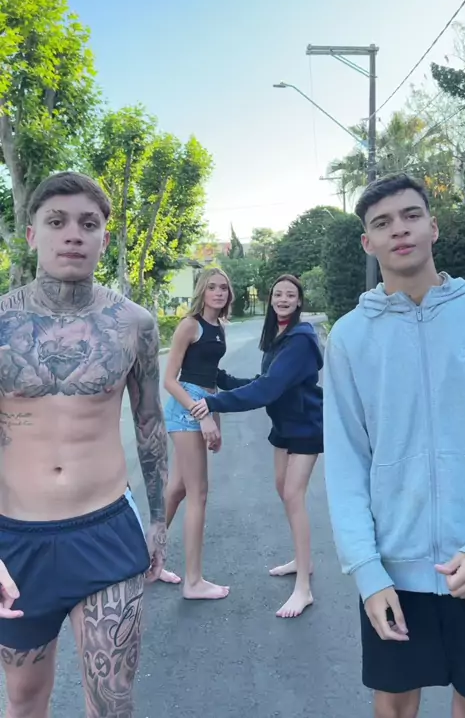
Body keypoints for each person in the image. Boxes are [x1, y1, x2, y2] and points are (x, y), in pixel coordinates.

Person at [0, 171, 167, 718]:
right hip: (14, 540)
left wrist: (158, 519)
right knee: (24, 700)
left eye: (88, 224)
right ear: (32, 235)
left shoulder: (135, 325)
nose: (73, 233)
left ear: (103, 238)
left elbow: (149, 422)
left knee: (112, 704)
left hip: (104, 530)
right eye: (57, 221)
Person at [323, 172, 465, 718]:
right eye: (383, 222)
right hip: (392, 571)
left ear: (433, 227)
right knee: (393, 706)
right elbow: (346, 464)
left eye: (411, 215)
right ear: (367, 242)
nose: (400, 230)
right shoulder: (349, 338)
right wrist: (368, 574)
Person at [191, 274, 323, 619]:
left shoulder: (300, 339)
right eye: (278, 294)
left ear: (299, 301)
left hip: (306, 426)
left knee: (293, 495)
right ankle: (303, 561)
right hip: (284, 426)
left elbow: (267, 390)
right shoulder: (278, 336)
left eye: (290, 295)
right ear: (270, 299)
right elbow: (262, 381)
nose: (283, 299)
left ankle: (304, 589)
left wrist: (214, 403)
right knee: (283, 490)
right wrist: (221, 379)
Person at [162, 267, 244, 600]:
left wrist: (217, 415)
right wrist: (203, 415)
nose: (219, 292)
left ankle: (143, 561)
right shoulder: (189, 325)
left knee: (177, 490)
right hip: (186, 407)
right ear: (202, 291)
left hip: (204, 404)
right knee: (199, 493)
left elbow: (212, 377)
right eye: (212, 287)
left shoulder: (219, 327)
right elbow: (170, 380)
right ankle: (193, 582)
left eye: (223, 287)